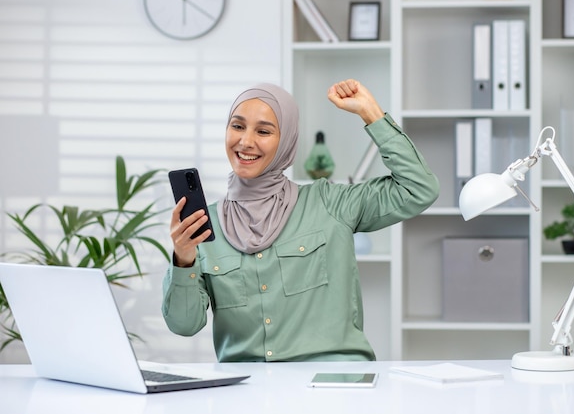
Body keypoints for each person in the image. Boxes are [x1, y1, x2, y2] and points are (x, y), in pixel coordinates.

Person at [162, 79, 439, 362]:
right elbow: (184, 325)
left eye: (264, 131)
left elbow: (419, 188)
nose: (246, 141)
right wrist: (183, 260)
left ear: (287, 140)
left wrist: (371, 114)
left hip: (333, 387)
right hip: (250, 392)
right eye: (237, 126)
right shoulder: (202, 228)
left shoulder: (330, 203)